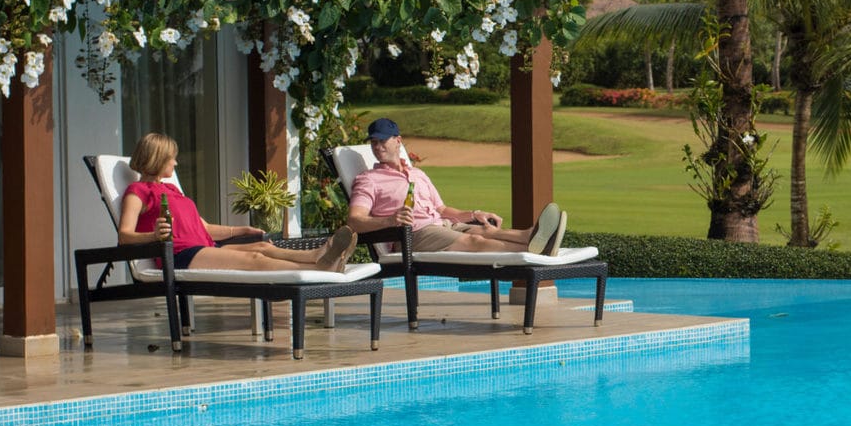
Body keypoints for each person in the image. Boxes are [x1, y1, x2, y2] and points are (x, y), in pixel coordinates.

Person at [117, 131, 356, 271]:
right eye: (172, 159)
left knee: (263, 247)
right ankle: (317, 270)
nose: (176, 164)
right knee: (254, 259)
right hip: (181, 256)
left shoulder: (172, 190)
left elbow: (205, 228)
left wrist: (240, 229)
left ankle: (319, 255)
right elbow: (124, 235)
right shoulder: (136, 191)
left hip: (205, 248)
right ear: (158, 159)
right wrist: (154, 236)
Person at [345, 118, 568, 254]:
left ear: (398, 141)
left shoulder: (417, 174)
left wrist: (475, 213)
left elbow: (442, 210)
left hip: (441, 225)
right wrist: (390, 221)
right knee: (475, 240)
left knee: (486, 230)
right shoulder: (369, 179)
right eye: (373, 142)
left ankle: (530, 236)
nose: (377, 146)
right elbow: (354, 220)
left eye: (382, 140)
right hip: (413, 235)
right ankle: (533, 252)